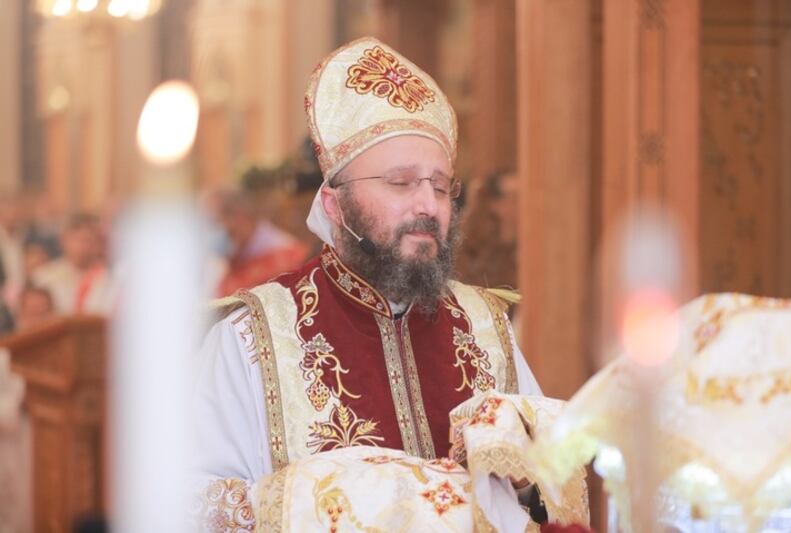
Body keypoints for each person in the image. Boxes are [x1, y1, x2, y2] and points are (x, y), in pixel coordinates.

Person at [193, 37, 544, 530]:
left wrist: (530, 474)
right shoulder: (253, 337)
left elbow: (550, 498)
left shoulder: (487, 325)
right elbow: (199, 505)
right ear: (335, 205)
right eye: (401, 183)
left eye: (441, 186)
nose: (428, 204)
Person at [214, 187, 310, 297]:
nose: (217, 229)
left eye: (217, 220)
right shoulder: (235, 259)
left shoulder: (288, 258)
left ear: (239, 215)